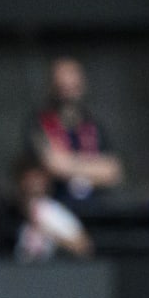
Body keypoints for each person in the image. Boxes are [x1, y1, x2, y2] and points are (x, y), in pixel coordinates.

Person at [25, 56, 123, 209]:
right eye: (62, 86)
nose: (68, 89)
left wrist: (69, 165)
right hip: (55, 206)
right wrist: (94, 168)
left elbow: (112, 172)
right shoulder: (39, 123)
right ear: (52, 86)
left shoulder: (94, 125)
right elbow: (52, 165)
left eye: (73, 85)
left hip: (95, 207)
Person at [0, 154, 93, 262]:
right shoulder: (5, 210)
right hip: (8, 272)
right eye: (29, 179)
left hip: (46, 273)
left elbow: (84, 247)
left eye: (38, 179)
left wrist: (46, 230)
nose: (34, 184)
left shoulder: (53, 211)